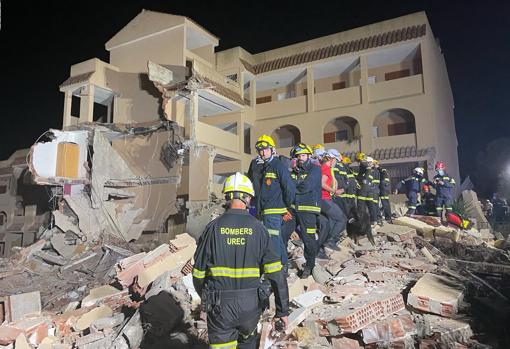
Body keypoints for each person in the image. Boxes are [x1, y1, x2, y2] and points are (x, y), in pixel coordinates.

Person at [192, 173, 289, 349]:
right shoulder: (259, 228)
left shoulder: (212, 228)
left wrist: (206, 297)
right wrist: (282, 311)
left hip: (219, 305)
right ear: (247, 197)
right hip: (250, 305)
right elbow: (276, 274)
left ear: (227, 196)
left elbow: (198, 274)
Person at [248, 135, 295, 268]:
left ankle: (277, 269)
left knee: (272, 241)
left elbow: (289, 188)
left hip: (274, 210)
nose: (263, 152)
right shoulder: (261, 166)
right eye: (260, 150)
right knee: (277, 239)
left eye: (266, 149)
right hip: (263, 210)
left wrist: (287, 207)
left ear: (272, 150)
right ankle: (284, 265)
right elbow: (255, 187)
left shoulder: (277, 165)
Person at [288, 143, 322, 279]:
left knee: (308, 240)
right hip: (293, 209)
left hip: (308, 210)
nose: (300, 158)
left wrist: (292, 188)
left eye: (303, 155)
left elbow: (306, 186)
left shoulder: (315, 169)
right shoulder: (294, 171)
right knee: (284, 234)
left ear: (308, 156)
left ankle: (310, 266)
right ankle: (284, 265)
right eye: (298, 156)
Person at [320, 149, 347, 251]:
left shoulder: (323, 167)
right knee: (341, 219)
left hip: (323, 199)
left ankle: (327, 242)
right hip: (324, 199)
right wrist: (335, 191)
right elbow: (322, 183)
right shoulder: (326, 168)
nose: (336, 163)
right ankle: (331, 241)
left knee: (331, 221)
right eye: (336, 160)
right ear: (331, 159)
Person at [356, 153, 375, 224]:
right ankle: (374, 220)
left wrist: (364, 180)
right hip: (368, 188)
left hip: (363, 187)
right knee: (370, 204)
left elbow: (366, 172)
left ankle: (361, 220)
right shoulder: (366, 164)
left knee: (361, 204)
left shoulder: (363, 164)